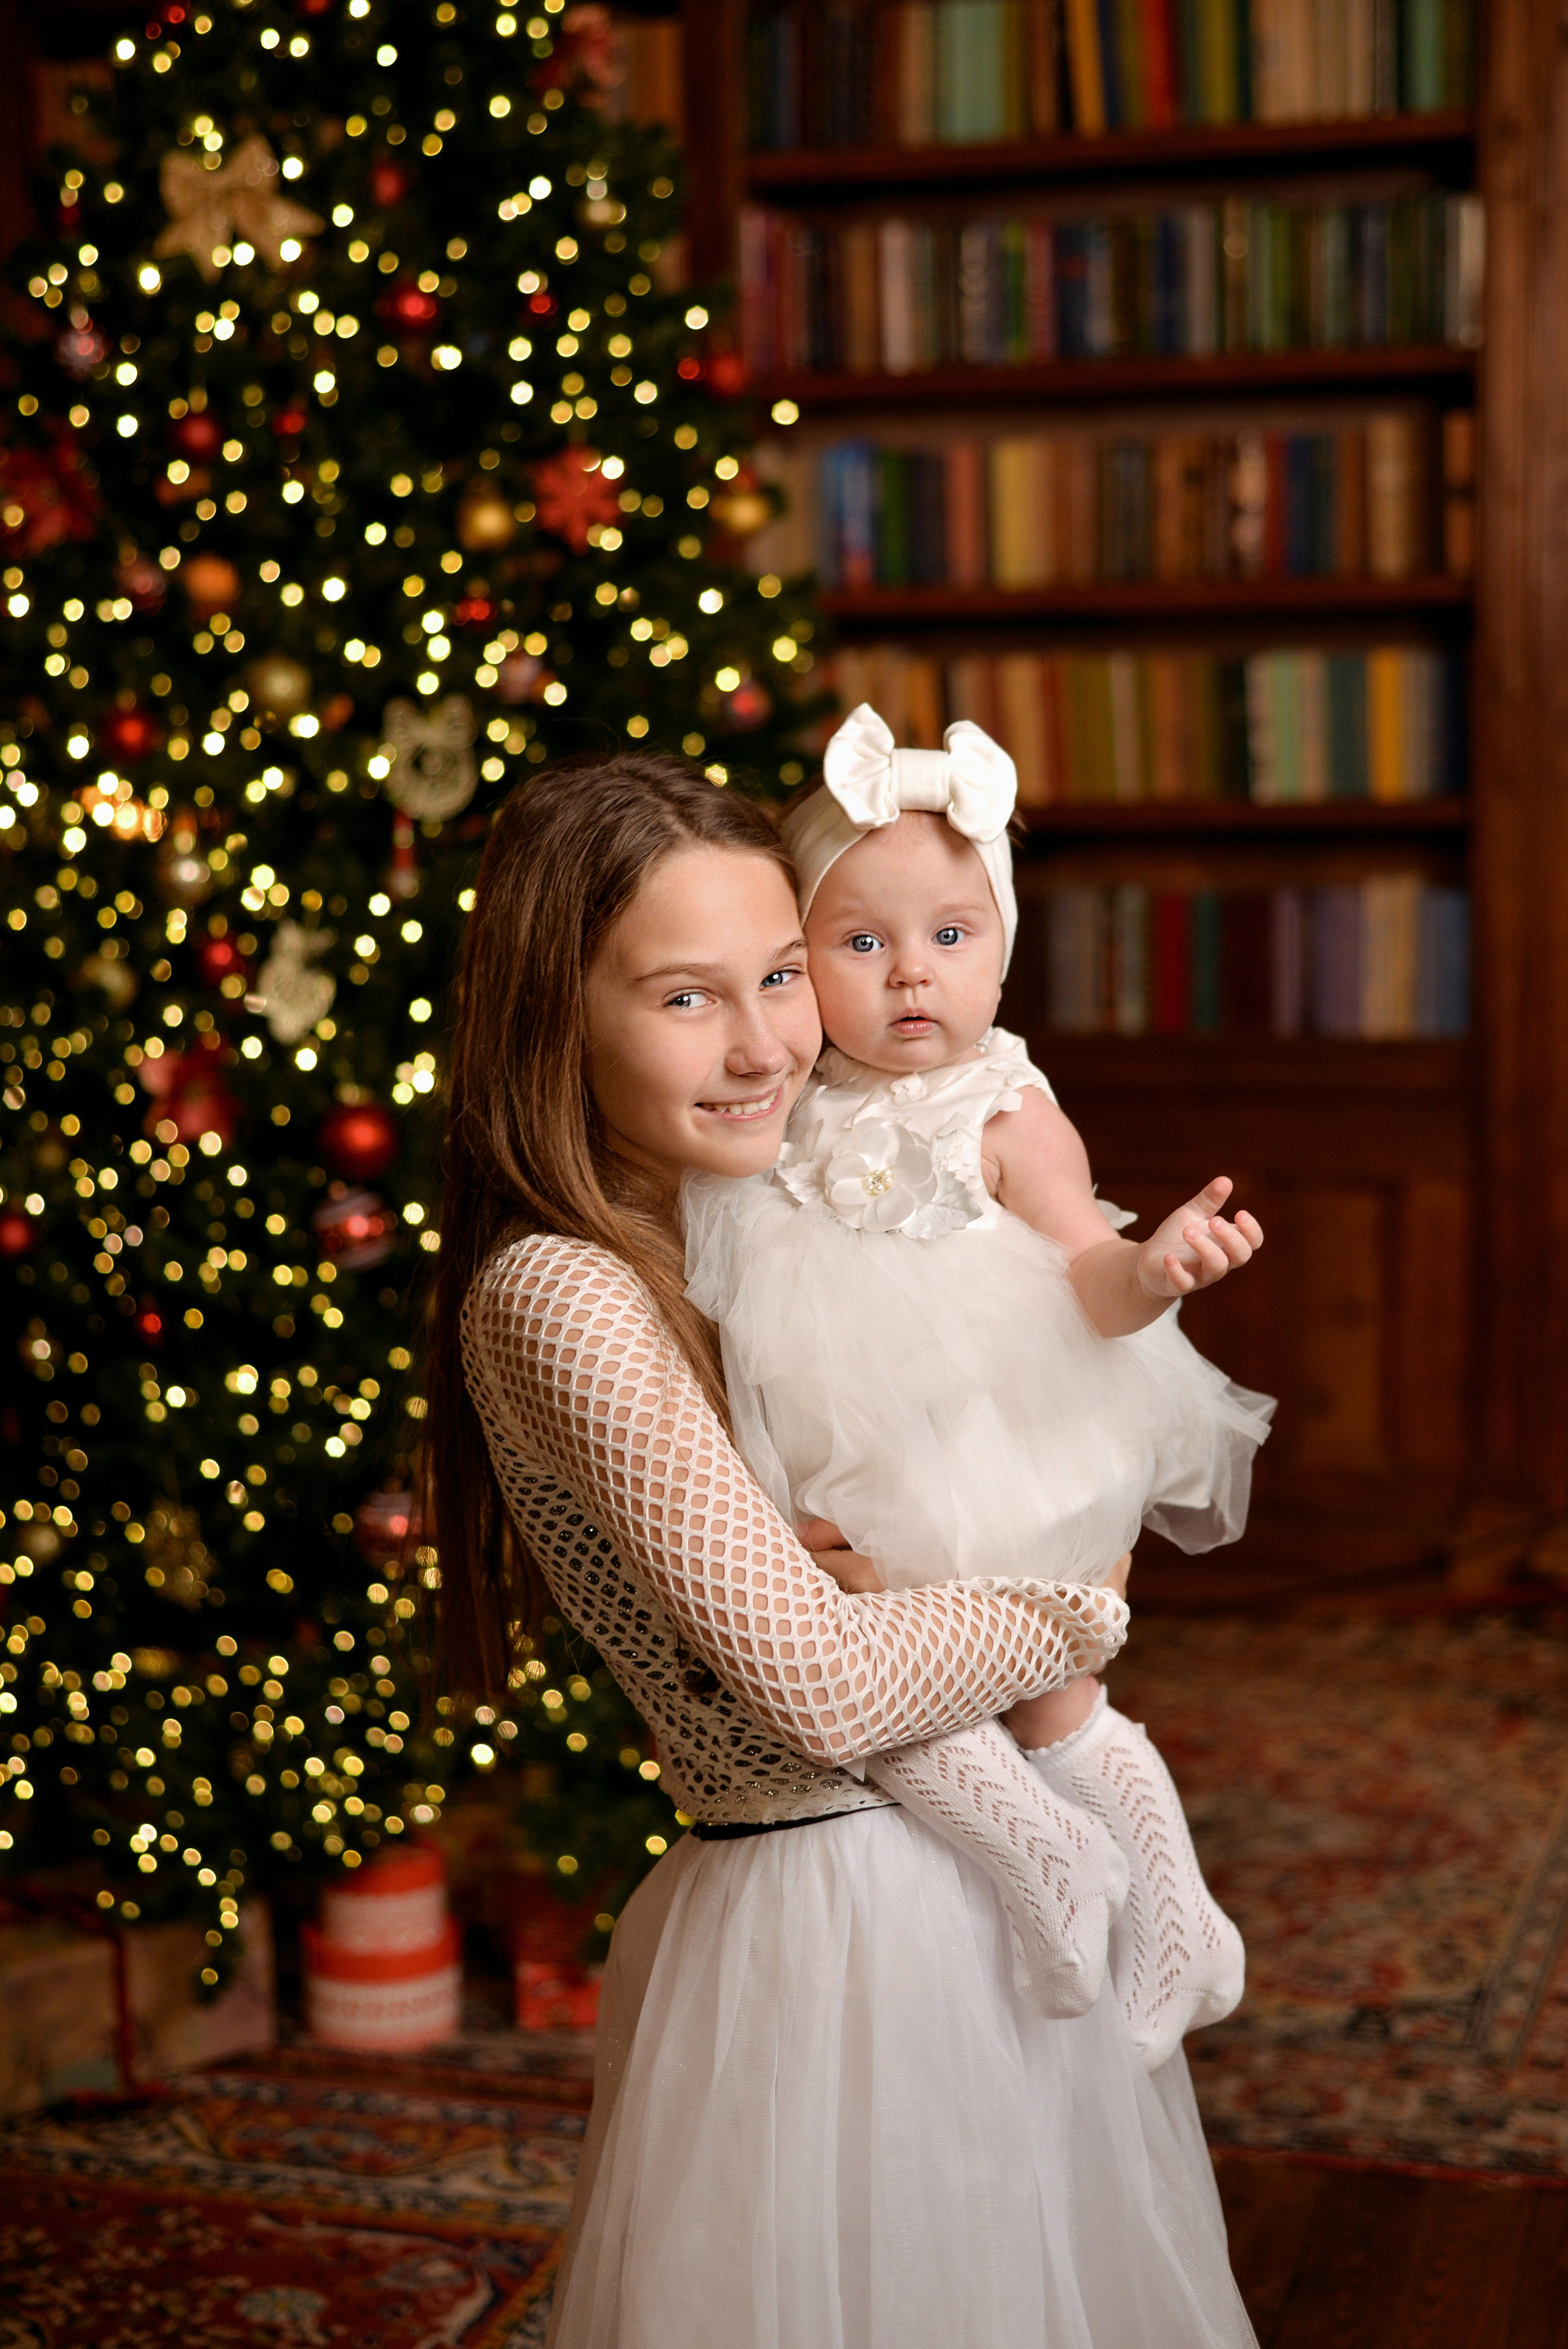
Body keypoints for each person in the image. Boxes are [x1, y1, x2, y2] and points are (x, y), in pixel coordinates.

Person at [427, 753, 1259, 2348]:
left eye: (778, 975)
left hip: (978, 1898)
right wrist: (1076, 1606)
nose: (763, 1046)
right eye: (685, 997)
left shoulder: (763, 1200)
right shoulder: (564, 1289)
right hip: (838, 1916)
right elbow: (823, 1686)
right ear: (554, 1019)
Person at [685, 704, 1276, 2073]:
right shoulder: (786, 1094)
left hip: (988, 1438)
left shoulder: (1008, 1108)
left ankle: (1169, 1913)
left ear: (1002, 950)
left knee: (1054, 1694)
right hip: (846, 1453)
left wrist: (1156, 1269)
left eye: (951, 936)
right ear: (798, 966)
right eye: (860, 943)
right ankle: (1056, 1863)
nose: (911, 974)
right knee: (863, 1666)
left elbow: (1084, 1273)